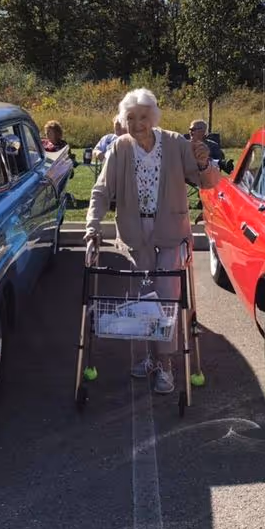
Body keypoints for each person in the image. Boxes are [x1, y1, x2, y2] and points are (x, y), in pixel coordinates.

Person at [84, 88, 219, 394]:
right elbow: (101, 192)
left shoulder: (175, 143)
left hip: (171, 233)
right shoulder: (119, 148)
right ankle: (142, 358)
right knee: (140, 299)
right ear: (123, 120)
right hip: (134, 236)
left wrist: (203, 163)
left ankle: (166, 365)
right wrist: (92, 227)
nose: (138, 123)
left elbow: (207, 182)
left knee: (168, 301)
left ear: (154, 117)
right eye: (131, 118)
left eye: (143, 117)